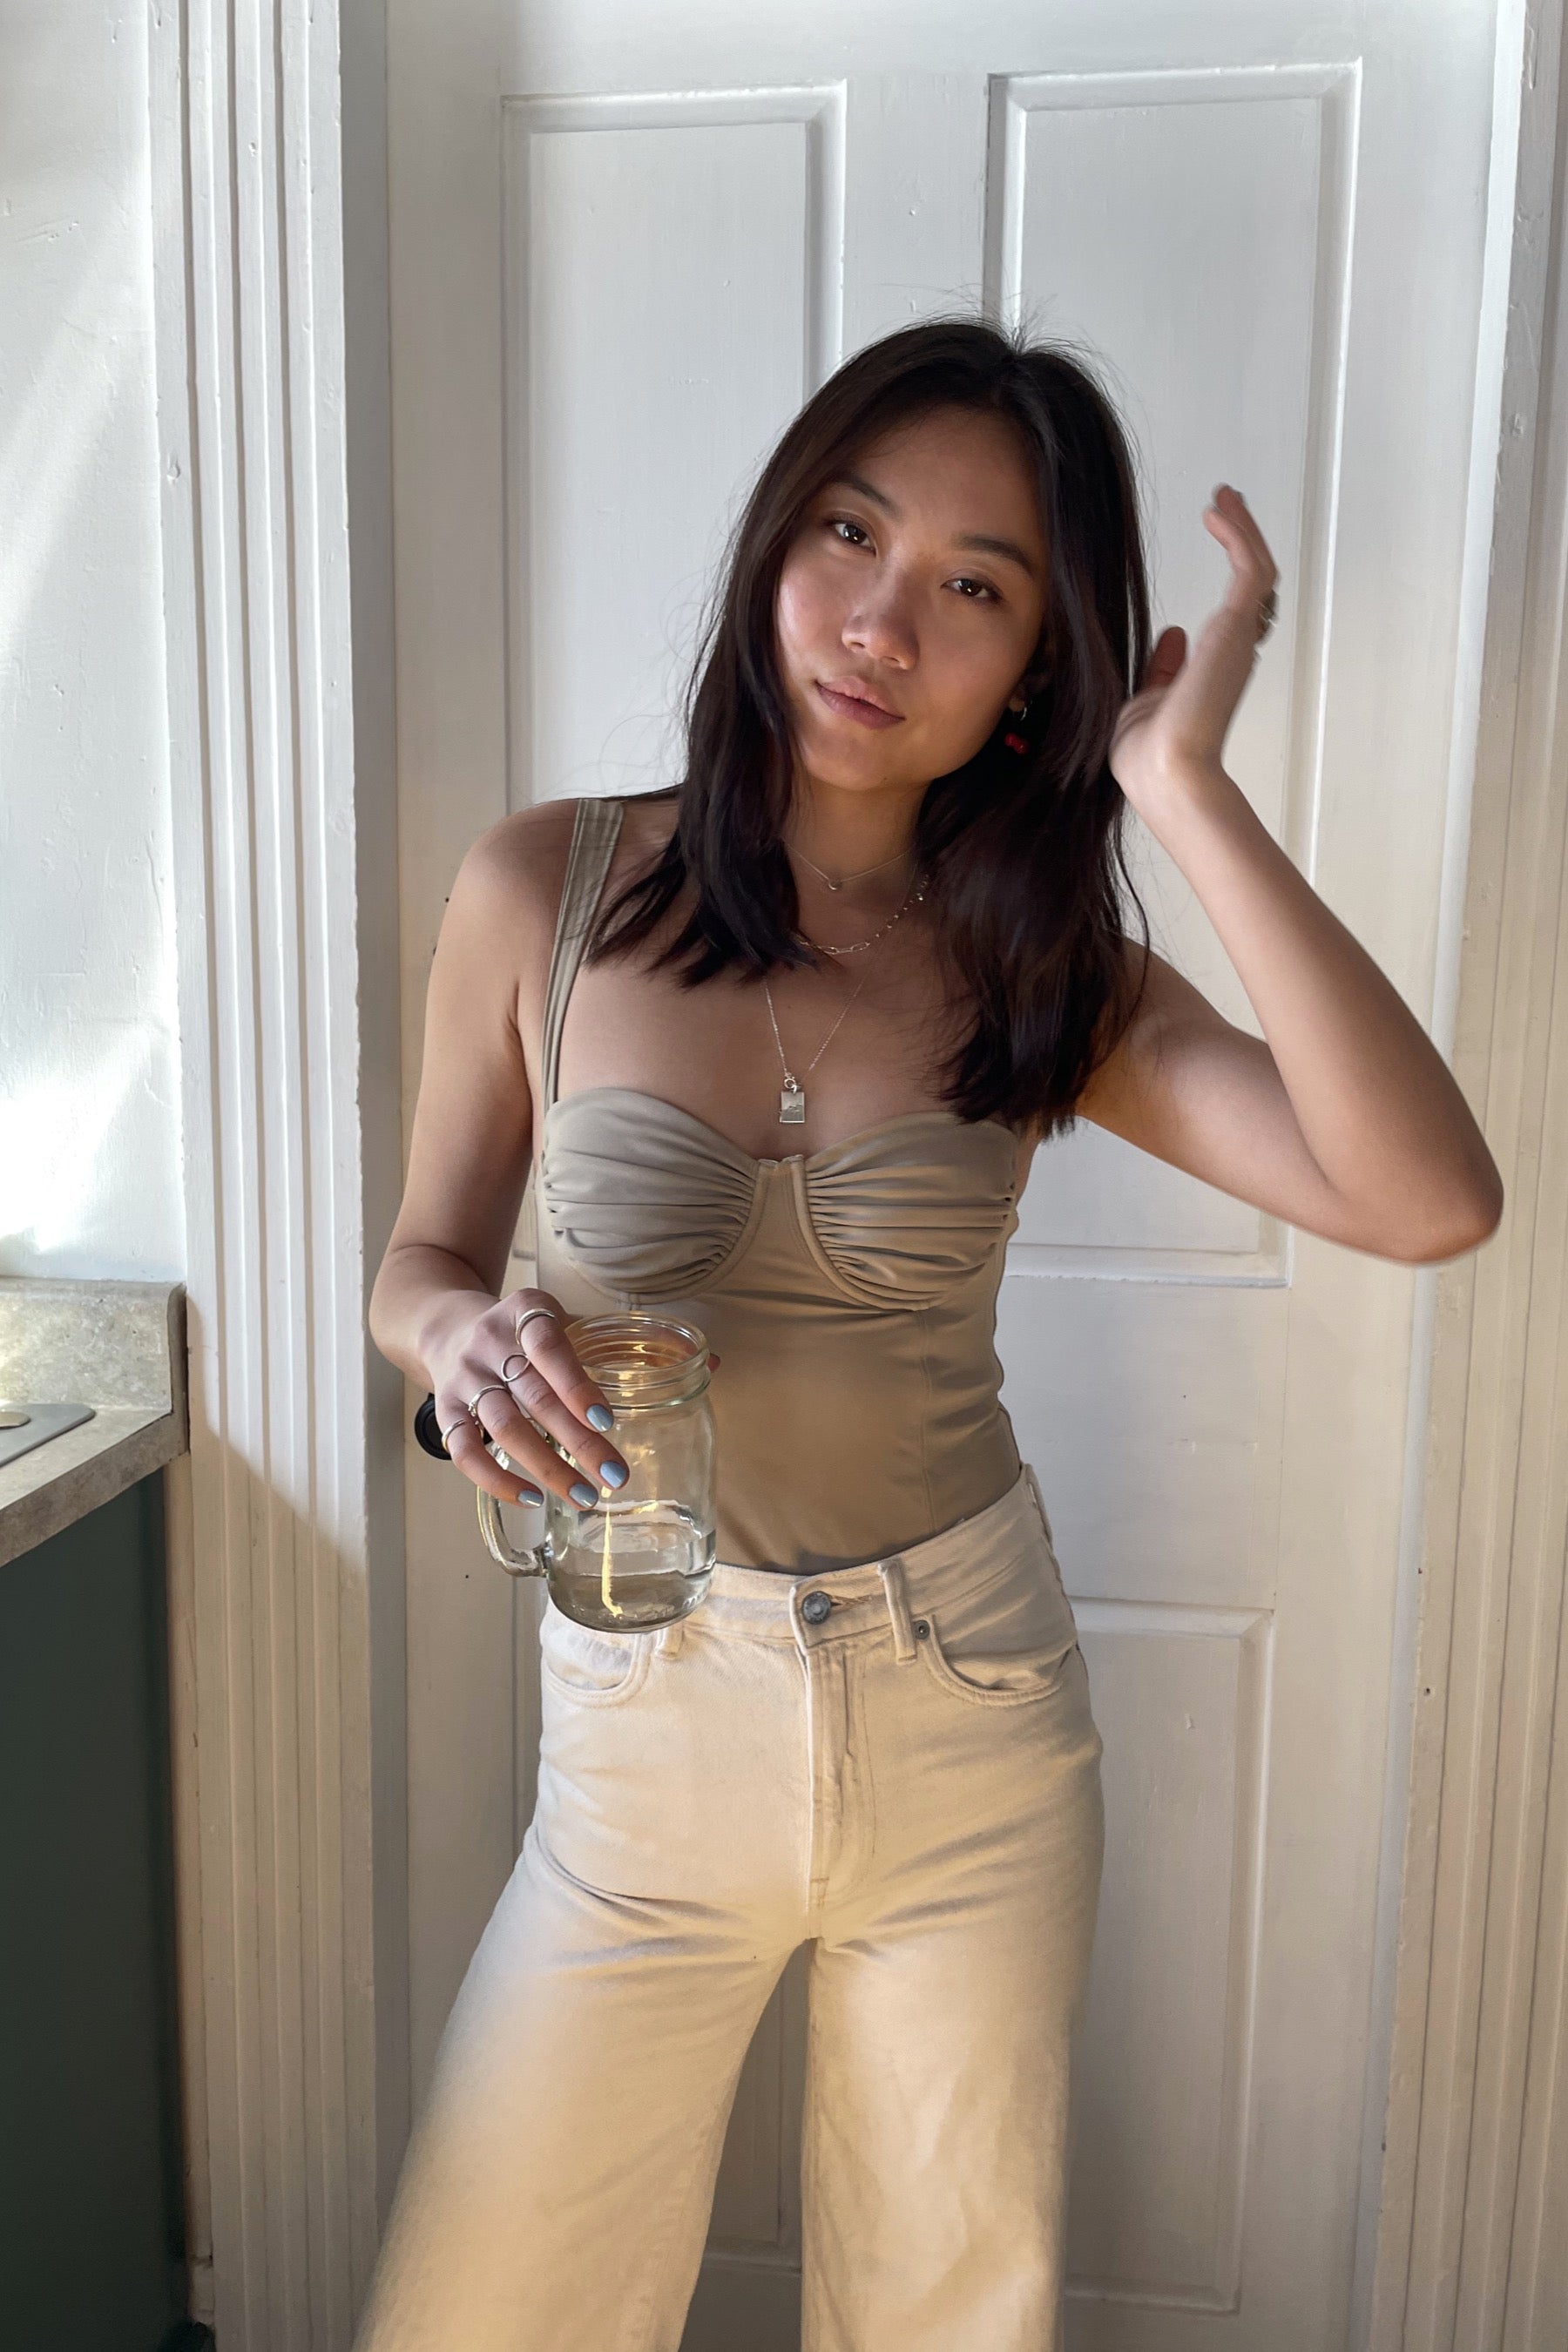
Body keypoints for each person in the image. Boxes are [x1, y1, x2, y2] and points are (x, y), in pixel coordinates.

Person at [353, 317, 1503, 2351]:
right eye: (849, 533)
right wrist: (458, 1342)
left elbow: (1428, 1197)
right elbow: (420, 1256)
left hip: (966, 1709)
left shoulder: (1046, 976)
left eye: (977, 587)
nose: (883, 624)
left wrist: (1185, 791)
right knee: (486, 2305)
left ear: (1042, 669)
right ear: (776, 544)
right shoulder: (548, 885)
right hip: (646, 1718)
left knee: (943, 2313)